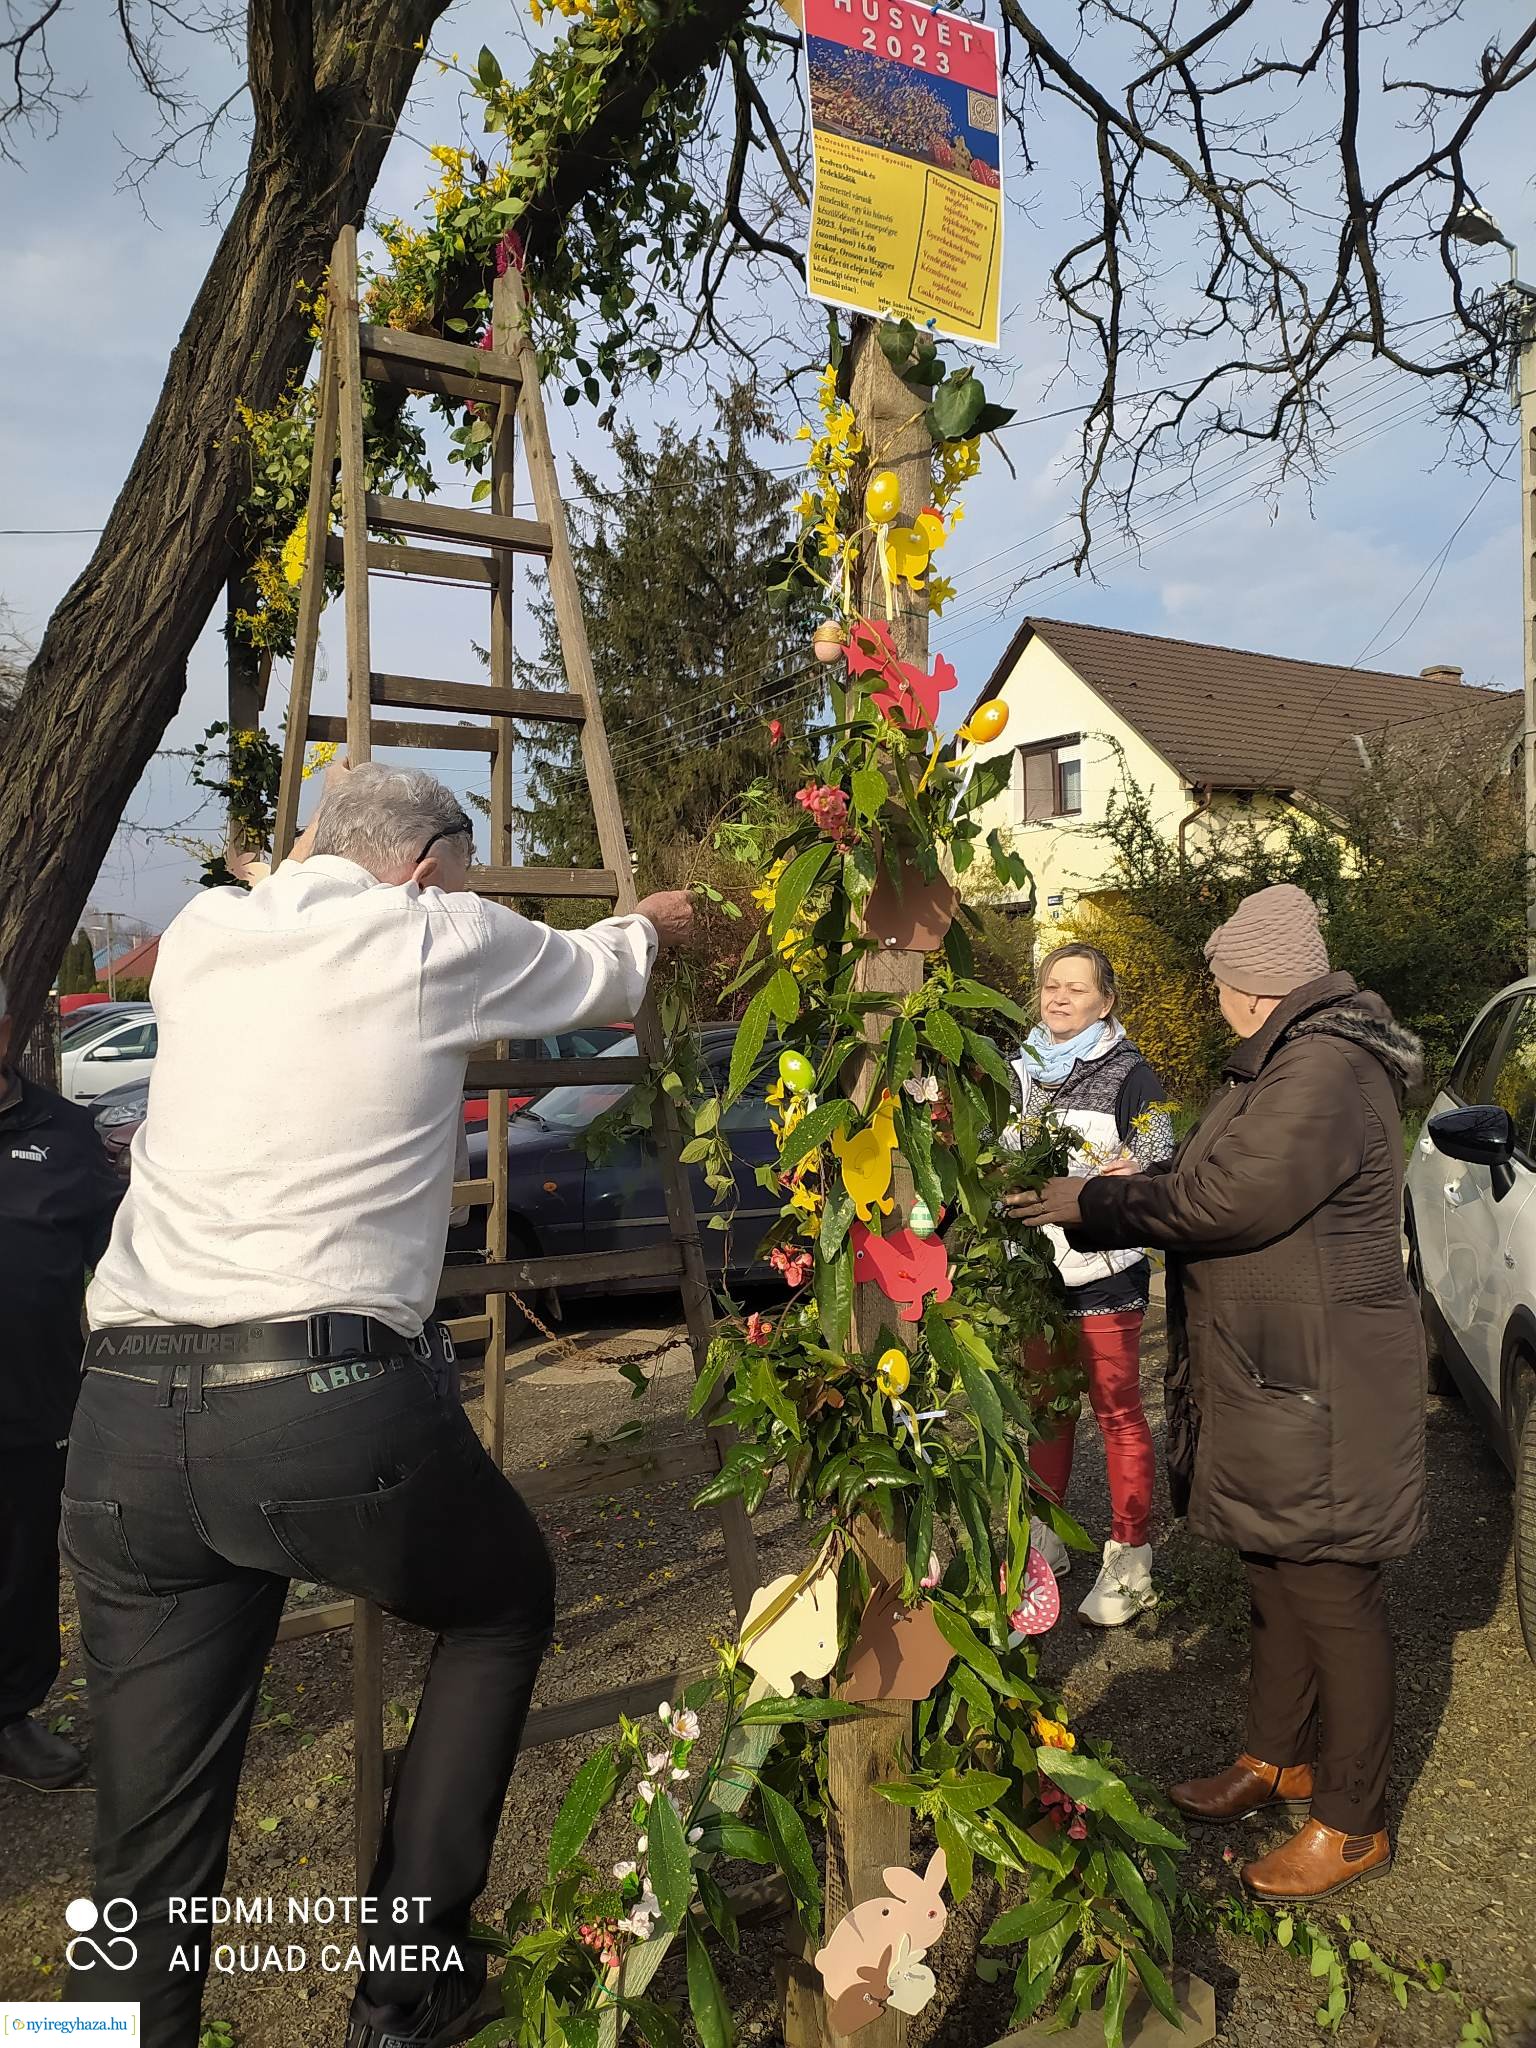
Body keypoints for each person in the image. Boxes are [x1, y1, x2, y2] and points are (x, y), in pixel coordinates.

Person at [64, 764, 694, 2047]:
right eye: (456, 866)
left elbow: (281, 883)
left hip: (123, 1416)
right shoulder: (431, 929)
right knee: (501, 1601)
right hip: (317, 1400)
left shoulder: (202, 937)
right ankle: (407, 1989)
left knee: (144, 1834)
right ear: (426, 862)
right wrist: (666, 924)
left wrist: (293, 859)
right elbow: (606, 970)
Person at [1005, 884, 1425, 1903]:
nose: (1215, 996)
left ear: (1250, 985)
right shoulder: (1292, 1058)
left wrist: (1092, 1198)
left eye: (1221, 980)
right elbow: (1212, 1167)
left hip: (1320, 1382)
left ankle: (1354, 1818)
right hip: (1282, 1372)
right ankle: (1276, 1755)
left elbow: (1222, 1194)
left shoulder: (1322, 1068)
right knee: (1277, 1574)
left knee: (1332, 1591)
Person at [1006, 943, 1174, 1627]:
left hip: (1105, 1270)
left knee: (1117, 1413)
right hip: (1033, 1274)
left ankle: (1130, 1559)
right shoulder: (1017, 1072)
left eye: (1077, 988)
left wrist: (1101, 1186)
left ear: (1106, 1002)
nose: (1060, 997)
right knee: (1044, 1413)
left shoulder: (1134, 1075)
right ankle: (1046, 1543)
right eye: (1051, 986)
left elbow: (1161, 1159)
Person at [0, 972, 121, 1790]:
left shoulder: (65, 1132)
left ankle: (9, 1716)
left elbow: (118, 1261)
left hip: (26, 1399)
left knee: (17, 1564)